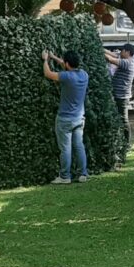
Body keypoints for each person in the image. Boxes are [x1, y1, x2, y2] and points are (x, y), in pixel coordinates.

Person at [43, 49, 89, 185]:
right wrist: (54, 57)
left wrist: (45, 59)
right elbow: (66, 64)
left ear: (67, 64)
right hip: (79, 118)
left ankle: (65, 176)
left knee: (65, 148)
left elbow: (48, 73)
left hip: (64, 119)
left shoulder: (67, 77)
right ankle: (82, 174)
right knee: (79, 146)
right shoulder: (84, 75)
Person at [103, 43, 134, 166]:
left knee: (124, 119)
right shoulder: (127, 59)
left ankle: (127, 143)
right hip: (119, 95)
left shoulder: (127, 63)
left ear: (127, 52)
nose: (119, 52)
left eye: (121, 50)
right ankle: (123, 140)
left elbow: (110, 59)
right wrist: (101, 47)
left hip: (121, 96)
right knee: (121, 119)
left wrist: (98, 50)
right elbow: (112, 54)